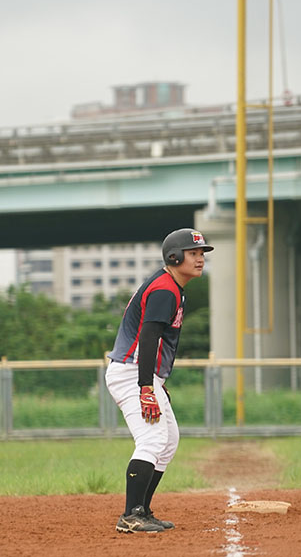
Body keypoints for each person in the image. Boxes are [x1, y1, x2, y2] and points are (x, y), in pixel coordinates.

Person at [105, 228, 213, 533]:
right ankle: (130, 516)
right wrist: (146, 388)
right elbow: (149, 336)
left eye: (202, 253)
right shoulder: (166, 289)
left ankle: (142, 510)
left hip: (140, 372)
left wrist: (154, 380)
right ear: (174, 257)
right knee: (152, 440)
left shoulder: (172, 287)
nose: (200, 259)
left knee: (168, 441)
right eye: (194, 253)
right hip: (131, 372)